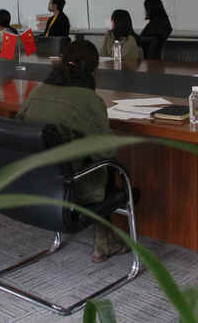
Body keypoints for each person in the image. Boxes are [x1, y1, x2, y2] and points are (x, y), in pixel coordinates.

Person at [16, 40, 128, 262]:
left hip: (33, 181)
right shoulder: (88, 100)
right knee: (106, 167)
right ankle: (104, 243)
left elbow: (18, 127)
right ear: (93, 71)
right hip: (70, 187)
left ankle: (105, 241)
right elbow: (107, 152)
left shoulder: (38, 91)